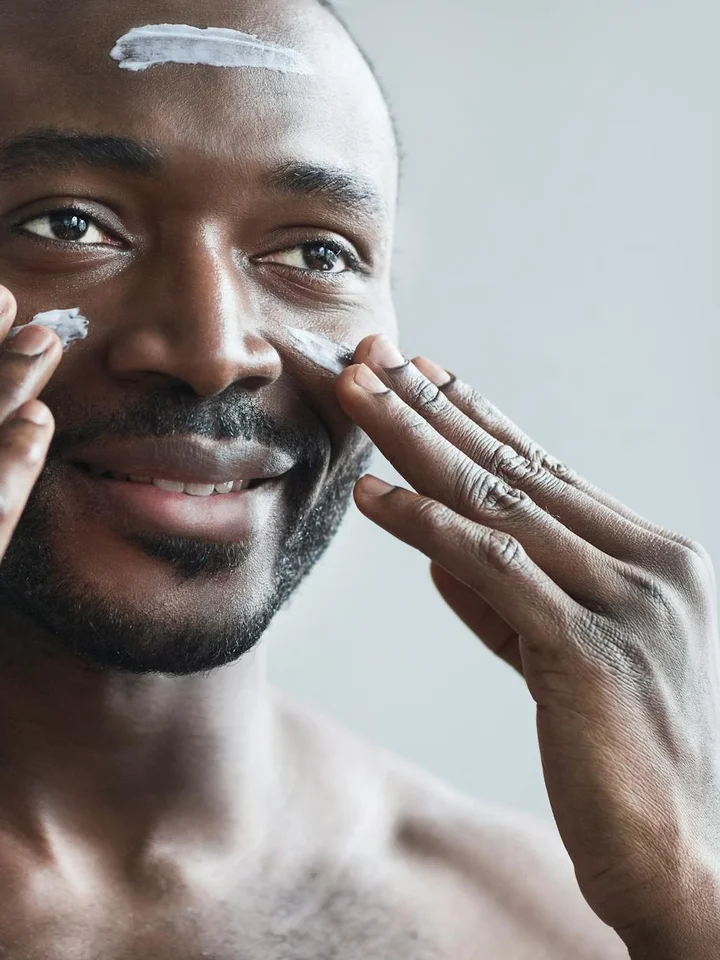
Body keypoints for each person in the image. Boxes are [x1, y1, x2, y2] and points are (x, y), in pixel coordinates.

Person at [0, 0, 716, 956]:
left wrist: (690, 889)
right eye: (69, 224)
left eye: (314, 253)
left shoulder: (570, 927)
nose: (215, 352)